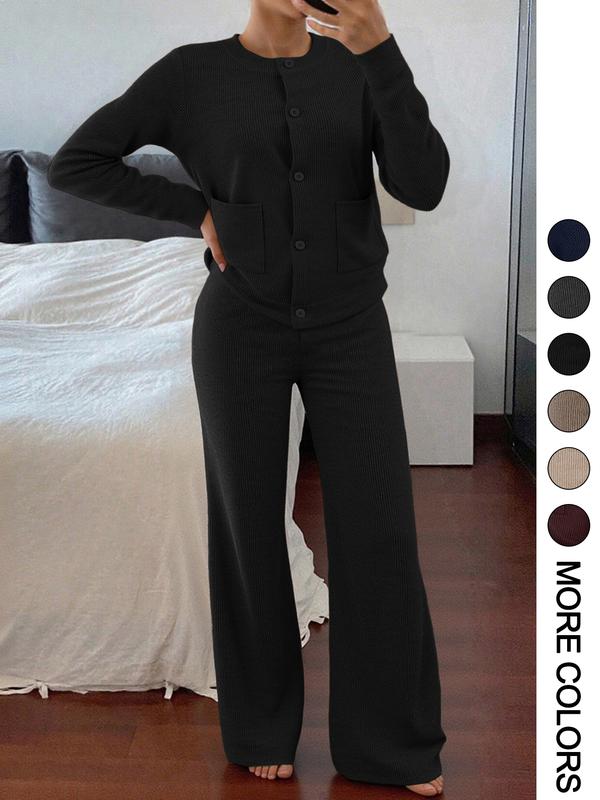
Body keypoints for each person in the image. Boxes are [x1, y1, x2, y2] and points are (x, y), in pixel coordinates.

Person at [47, 0, 450, 795]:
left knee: (379, 528)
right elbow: (77, 162)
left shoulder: (359, 66)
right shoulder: (191, 74)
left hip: (349, 326)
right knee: (248, 529)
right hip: (241, 327)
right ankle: (261, 723)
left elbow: (424, 184)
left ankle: (390, 743)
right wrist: (195, 210)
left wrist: (383, 54)